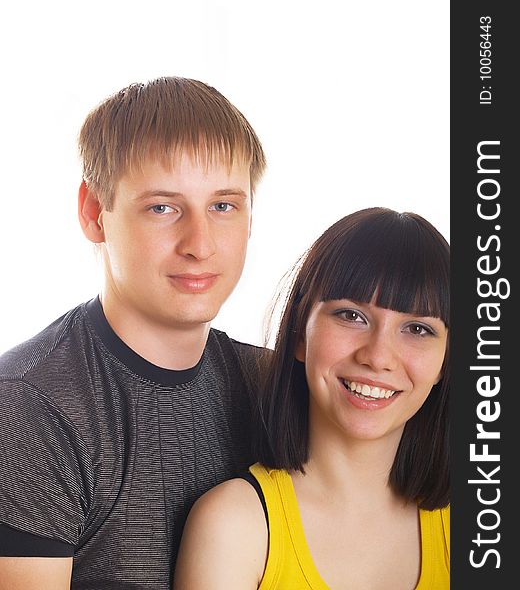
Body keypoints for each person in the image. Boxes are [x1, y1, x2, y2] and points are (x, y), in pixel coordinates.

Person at [0, 76, 267, 589]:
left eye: (223, 206)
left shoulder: (271, 384)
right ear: (93, 212)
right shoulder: (31, 406)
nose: (200, 244)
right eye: (162, 207)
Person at [173, 207, 450, 589]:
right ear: (301, 334)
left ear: (446, 363)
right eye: (351, 316)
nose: (378, 356)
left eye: (417, 329)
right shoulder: (235, 526)